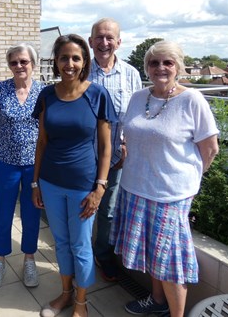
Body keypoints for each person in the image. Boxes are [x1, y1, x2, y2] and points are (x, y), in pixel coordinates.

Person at [110, 41, 219, 317]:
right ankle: (157, 301)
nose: (160, 68)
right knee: (151, 254)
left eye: (167, 62)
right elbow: (128, 137)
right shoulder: (138, 97)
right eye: (154, 62)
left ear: (178, 67)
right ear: (146, 67)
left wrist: (189, 181)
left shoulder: (191, 100)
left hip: (170, 195)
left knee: (170, 263)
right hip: (134, 187)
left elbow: (210, 149)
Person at [32, 34, 117, 317]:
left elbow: (106, 147)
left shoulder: (97, 94)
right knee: (62, 241)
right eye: (64, 57)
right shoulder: (46, 95)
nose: (69, 63)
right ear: (55, 61)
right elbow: (42, 142)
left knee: (81, 244)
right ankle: (66, 293)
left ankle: (82, 301)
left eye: (76, 58)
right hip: (50, 182)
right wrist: (35, 183)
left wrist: (100, 188)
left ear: (84, 62)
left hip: (84, 184)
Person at [0, 43, 44, 289]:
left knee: (31, 213)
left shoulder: (44, 91)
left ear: (33, 64)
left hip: (34, 165)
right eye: (14, 62)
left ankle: (29, 258)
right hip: (6, 163)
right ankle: (0, 259)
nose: (19, 66)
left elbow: (48, 131)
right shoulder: (0, 90)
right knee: (3, 211)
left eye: (24, 62)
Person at [88, 18, 142, 281]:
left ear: (119, 42)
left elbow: (137, 116)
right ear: (90, 42)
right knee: (82, 205)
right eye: (99, 37)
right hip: (84, 155)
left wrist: (127, 145)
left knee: (108, 209)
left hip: (117, 157)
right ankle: (81, 256)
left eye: (110, 37)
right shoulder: (80, 70)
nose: (104, 42)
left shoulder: (131, 74)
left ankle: (103, 255)